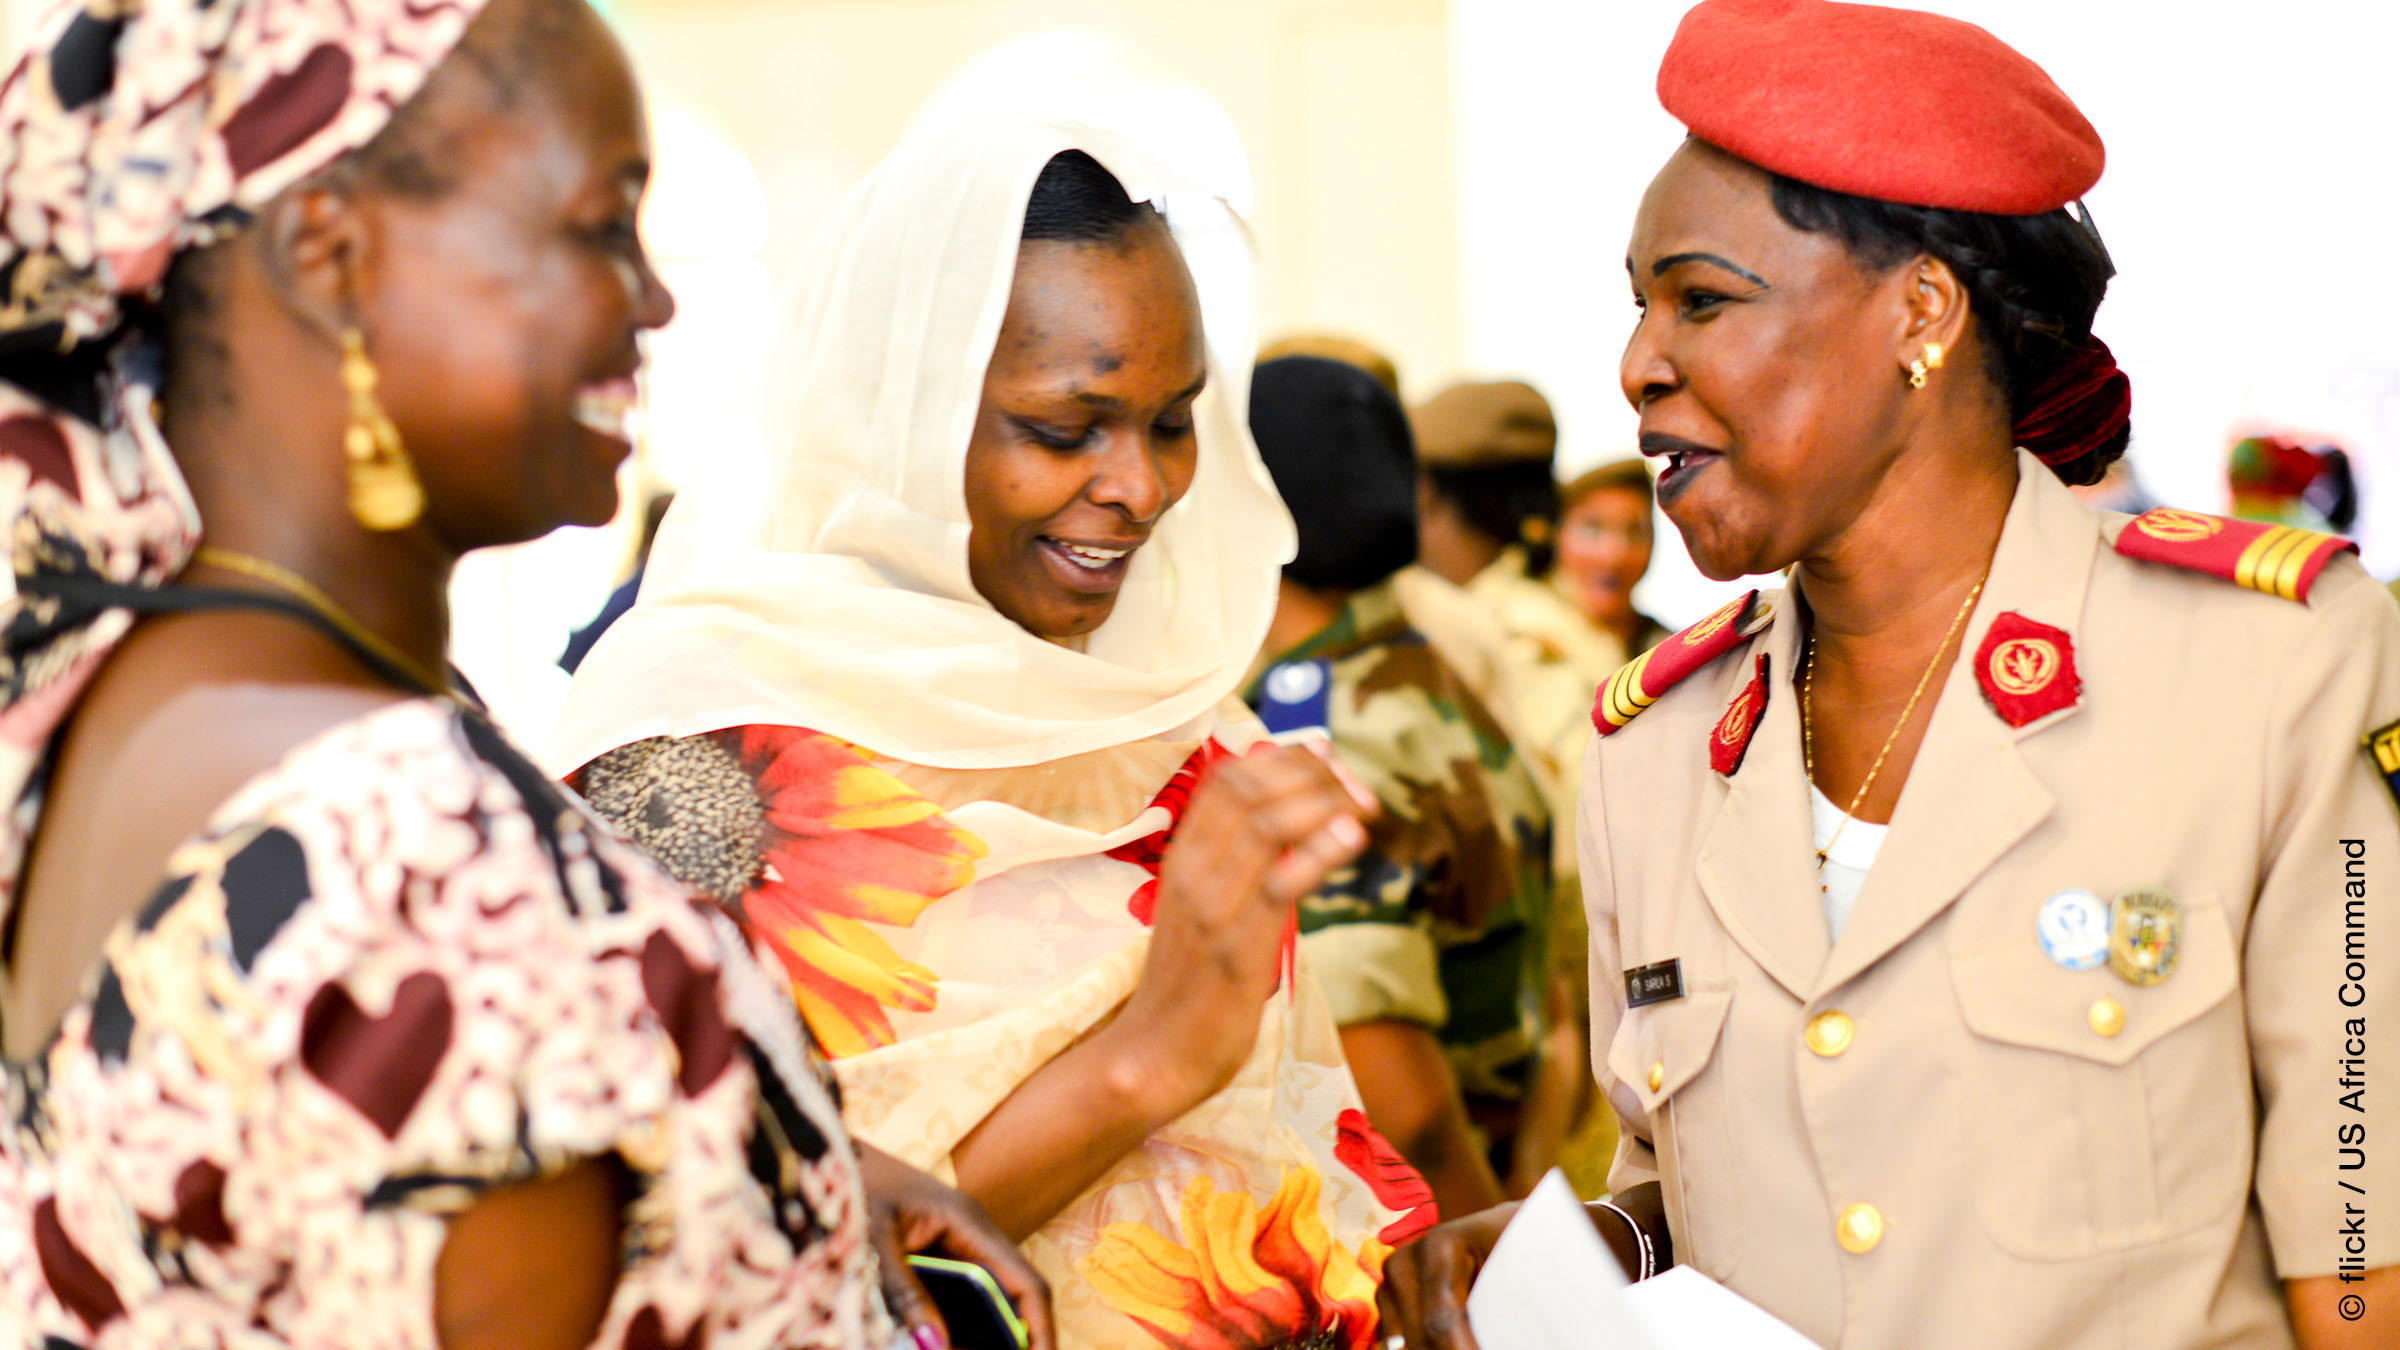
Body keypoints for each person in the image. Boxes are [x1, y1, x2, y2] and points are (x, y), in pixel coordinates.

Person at [0, 2, 1046, 1346]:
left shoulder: (110, 687)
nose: (656, 298)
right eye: (603, 225)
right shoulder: (430, 867)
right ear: (331, 254)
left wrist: (783, 1177)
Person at [1382, 2, 2396, 1348]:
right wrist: (1596, 1245)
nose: (1639, 364)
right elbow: (1714, 1181)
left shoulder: (2269, 668)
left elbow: (2356, 1250)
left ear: (1920, 316)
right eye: (1637, 305)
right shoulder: (1653, 750)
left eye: (1700, 298)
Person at [545, 88, 1427, 1349]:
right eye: (1064, 430)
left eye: (1172, 424)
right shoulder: (695, 746)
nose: (1137, 489)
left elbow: (1292, 1155)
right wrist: (1147, 1058)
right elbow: (733, 1270)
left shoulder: (1181, 719)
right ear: (892, 417)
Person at [1244, 355, 1561, 1212]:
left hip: (1423, 1233)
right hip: (1494, 1171)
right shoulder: (1423, 676)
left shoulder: (1318, 736)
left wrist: (1489, 1287)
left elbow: (1395, 1105)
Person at [1549, 460, 1669, 658]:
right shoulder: (1508, 630)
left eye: (1635, 533)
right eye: (1593, 529)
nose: (1614, 555)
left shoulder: (1667, 650)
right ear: (1557, 533)